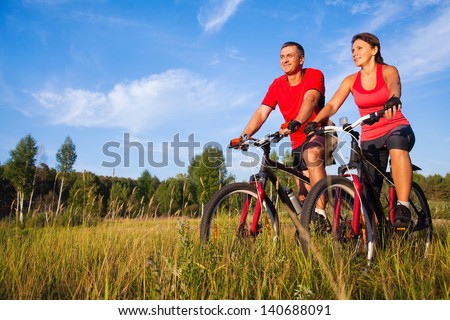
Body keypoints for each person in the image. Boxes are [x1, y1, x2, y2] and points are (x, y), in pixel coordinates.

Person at [304, 32, 415, 228]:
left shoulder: (388, 70)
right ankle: (374, 240)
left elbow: (394, 86)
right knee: (367, 197)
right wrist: (317, 121)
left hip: (396, 126)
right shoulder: (350, 80)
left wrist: (393, 98)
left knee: (397, 146)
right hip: (370, 137)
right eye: (352, 50)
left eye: (359, 48)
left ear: (374, 50)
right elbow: (332, 105)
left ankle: (403, 205)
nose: (354, 53)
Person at [236, 41, 327, 205]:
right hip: (296, 141)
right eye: (281, 57)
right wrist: (244, 136)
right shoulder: (277, 84)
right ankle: (309, 227)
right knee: (303, 197)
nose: (285, 60)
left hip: (318, 134)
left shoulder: (314, 75)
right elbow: (262, 112)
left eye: (289, 56)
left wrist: (297, 122)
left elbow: (311, 99)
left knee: (312, 160)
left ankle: (322, 216)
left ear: (301, 59)